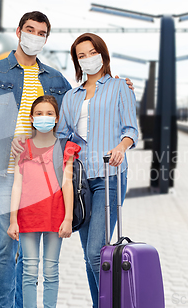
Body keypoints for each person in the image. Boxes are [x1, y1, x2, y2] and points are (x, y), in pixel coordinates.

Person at [0, 11, 72, 308]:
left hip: (42, 178)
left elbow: (75, 113)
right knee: (7, 245)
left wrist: (114, 86)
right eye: (30, 30)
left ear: (46, 38)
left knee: (27, 250)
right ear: (18, 32)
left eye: (41, 33)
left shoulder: (56, 78)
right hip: (6, 172)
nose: (35, 36)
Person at [56, 33, 139, 307]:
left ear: (102, 54)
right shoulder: (71, 97)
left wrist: (120, 147)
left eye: (92, 52)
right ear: (77, 62)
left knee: (96, 253)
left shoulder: (119, 87)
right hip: (81, 182)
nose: (88, 58)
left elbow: (130, 130)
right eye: (81, 55)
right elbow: (63, 135)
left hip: (110, 177)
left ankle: (112, 303)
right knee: (89, 254)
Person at [7, 95, 79, 308]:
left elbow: (68, 184)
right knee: (28, 270)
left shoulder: (65, 148)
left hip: (55, 216)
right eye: (39, 114)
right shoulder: (22, 148)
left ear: (57, 119)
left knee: (51, 270)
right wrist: (13, 220)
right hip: (28, 217)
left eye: (49, 114)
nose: (44, 118)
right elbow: (17, 185)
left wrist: (68, 218)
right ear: (31, 118)